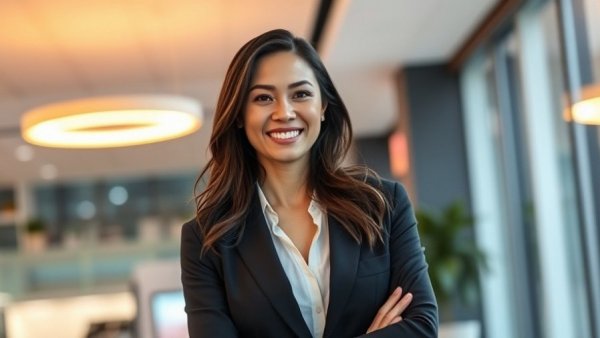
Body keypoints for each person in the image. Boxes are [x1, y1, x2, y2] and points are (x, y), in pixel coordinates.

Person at [180, 29, 438, 338]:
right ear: (238, 115)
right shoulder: (206, 241)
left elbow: (422, 327)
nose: (284, 112)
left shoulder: (384, 203)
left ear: (324, 106)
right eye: (263, 98)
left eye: (300, 94)